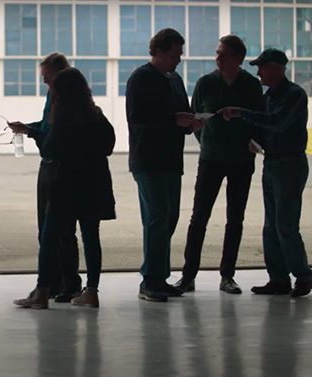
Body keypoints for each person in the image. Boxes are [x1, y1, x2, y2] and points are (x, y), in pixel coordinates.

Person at [13, 68, 116, 309]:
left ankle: (41, 292)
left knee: (49, 238)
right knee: (91, 237)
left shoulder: (63, 117)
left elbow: (50, 148)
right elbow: (109, 145)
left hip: (66, 187)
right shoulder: (96, 115)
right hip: (94, 185)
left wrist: (37, 133)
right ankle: (91, 291)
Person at [219, 48, 312, 298]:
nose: (258, 73)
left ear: (276, 68)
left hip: (290, 165)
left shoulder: (294, 95)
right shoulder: (269, 96)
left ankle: (303, 276)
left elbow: (277, 122)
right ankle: (278, 279)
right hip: (271, 164)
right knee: (271, 226)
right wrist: (256, 140)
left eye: (261, 67)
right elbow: (265, 126)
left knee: (285, 224)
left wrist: (242, 113)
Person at [174, 35, 263, 295]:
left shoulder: (250, 86)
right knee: (199, 216)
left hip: (241, 160)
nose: (218, 57)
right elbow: (196, 120)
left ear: (238, 59)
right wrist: (207, 140)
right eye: (217, 52)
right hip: (211, 158)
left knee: (235, 218)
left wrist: (254, 142)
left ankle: (227, 276)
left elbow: (259, 119)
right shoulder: (205, 84)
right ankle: (188, 276)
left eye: (223, 54)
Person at [125, 28, 204, 303]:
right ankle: (150, 280)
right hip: (149, 161)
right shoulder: (141, 79)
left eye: (180, 55)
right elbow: (136, 117)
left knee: (168, 219)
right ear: (157, 52)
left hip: (171, 161)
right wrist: (174, 120)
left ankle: (158, 276)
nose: (178, 60)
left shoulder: (174, 80)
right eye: (174, 55)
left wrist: (190, 122)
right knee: (157, 220)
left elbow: (179, 114)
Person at [7, 52, 82, 303]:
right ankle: (59, 283)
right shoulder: (53, 96)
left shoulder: (68, 101)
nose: (44, 83)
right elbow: (47, 126)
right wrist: (29, 127)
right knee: (47, 230)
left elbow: (56, 137)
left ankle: (61, 284)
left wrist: (31, 131)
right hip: (48, 167)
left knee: (58, 232)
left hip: (61, 170)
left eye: (47, 78)